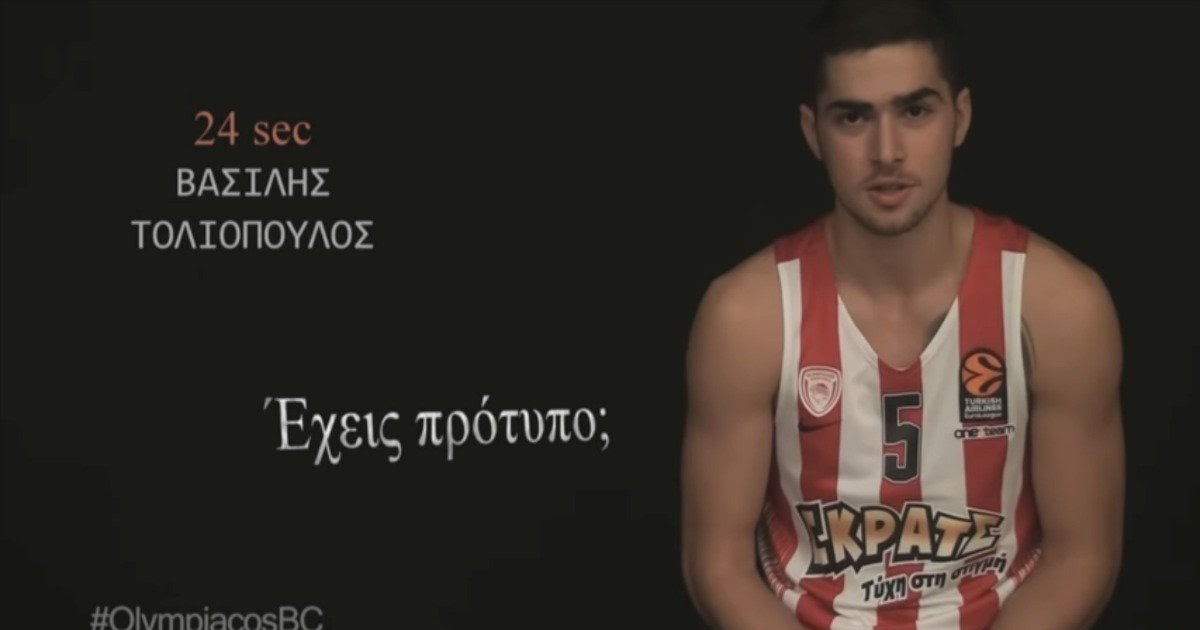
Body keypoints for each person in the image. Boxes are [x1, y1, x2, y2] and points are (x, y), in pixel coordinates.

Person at [679, 1, 1124, 628]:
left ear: (959, 117)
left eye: (915, 111)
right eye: (853, 117)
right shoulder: (746, 317)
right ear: (812, 132)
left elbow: (1083, 555)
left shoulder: (1059, 307)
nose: (886, 151)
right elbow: (717, 564)